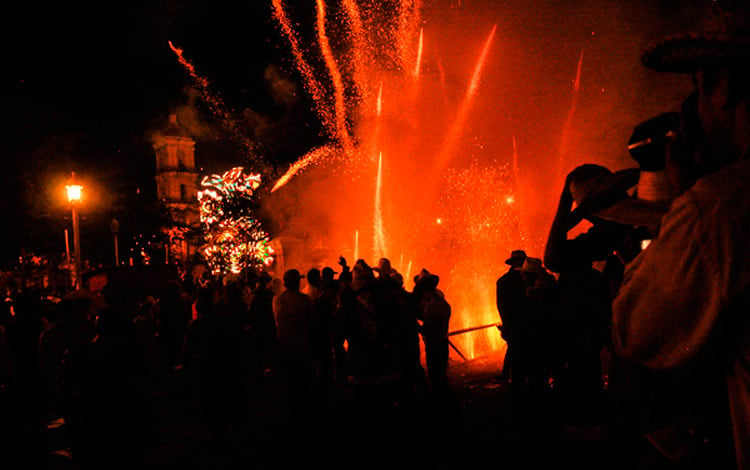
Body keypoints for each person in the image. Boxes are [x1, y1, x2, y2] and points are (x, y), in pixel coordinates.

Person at [612, 2, 750, 468]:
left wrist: (689, 198)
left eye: (697, 84)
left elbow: (636, 331)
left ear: (721, 83)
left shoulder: (721, 208)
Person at [496, 249, 527, 382]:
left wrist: (506, 323)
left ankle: (509, 376)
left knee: (513, 349)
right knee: (522, 350)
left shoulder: (502, 281)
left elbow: (500, 305)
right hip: (527, 323)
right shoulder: (529, 278)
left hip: (511, 323)